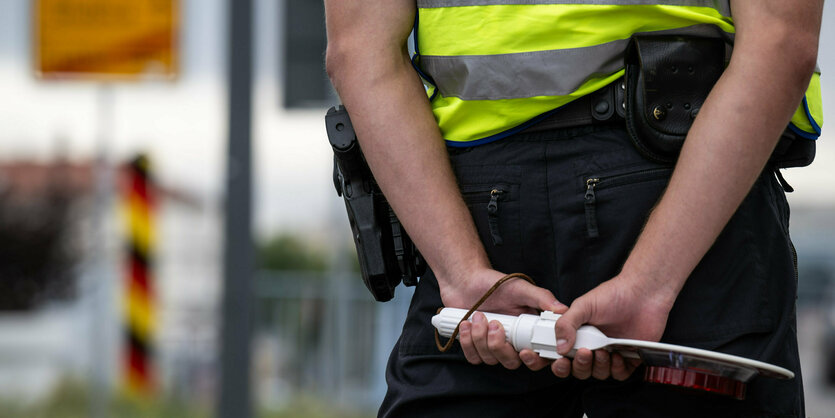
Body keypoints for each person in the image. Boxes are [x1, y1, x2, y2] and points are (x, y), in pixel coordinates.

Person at [324, 1, 824, 417]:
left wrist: (460, 271)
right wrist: (651, 284)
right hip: (686, 199)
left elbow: (359, 50)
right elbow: (779, 40)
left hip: (475, 219)